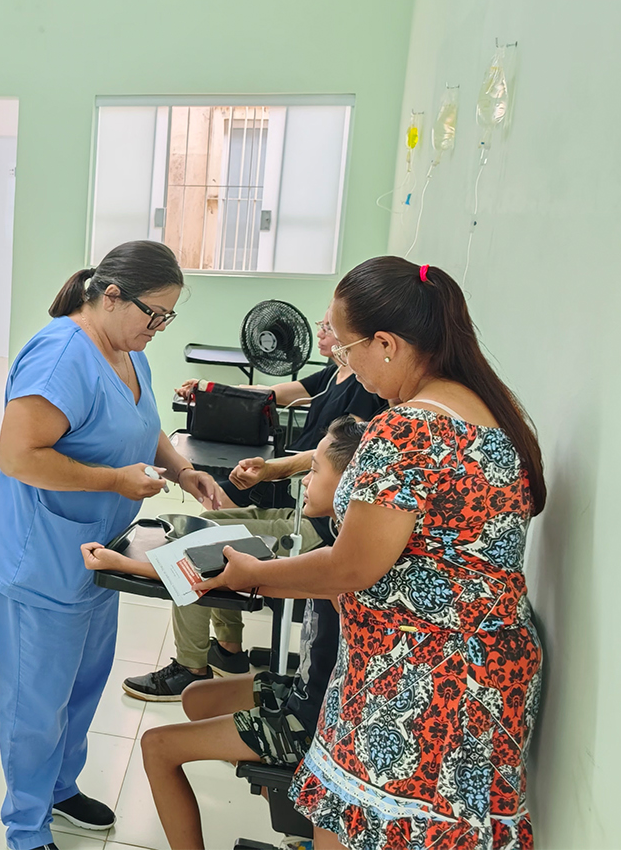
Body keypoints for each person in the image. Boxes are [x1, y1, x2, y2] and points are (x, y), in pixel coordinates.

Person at [203, 257, 547, 850]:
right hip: (483, 668)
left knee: (360, 828)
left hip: (417, 681)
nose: (340, 359)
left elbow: (350, 566)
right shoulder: (490, 411)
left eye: (346, 345)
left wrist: (257, 576)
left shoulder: (408, 431)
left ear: (386, 343)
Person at [0, 241, 222, 850]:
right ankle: (26, 828)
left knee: (82, 684)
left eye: (168, 317)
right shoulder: (61, 356)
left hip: (100, 556)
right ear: (110, 296)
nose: (159, 328)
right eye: (153, 314)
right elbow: (18, 456)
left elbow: (142, 422)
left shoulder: (129, 351)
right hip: (40, 560)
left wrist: (180, 469)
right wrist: (114, 480)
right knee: (35, 702)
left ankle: (59, 789)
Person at [81, 415, 367, 849]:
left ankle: (278, 768)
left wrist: (122, 563)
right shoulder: (341, 549)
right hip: (307, 694)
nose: (304, 480)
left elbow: (211, 579)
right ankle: (276, 784)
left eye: (314, 471)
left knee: (157, 747)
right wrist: (122, 563)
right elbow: (216, 576)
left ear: (350, 486)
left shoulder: (337, 565)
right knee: (197, 697)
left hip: (308, 722)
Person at [124, 308, 385, 700]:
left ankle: (191, 668)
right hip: (302, 506)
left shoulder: (368, 388)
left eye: (330, 326)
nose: (322, 330)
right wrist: (211, 390)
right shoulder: (335, 374)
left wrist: (273, 469)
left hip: (316, 525)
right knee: (208, 520)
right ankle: (228, 651)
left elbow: (334, 458)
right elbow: (276, 393)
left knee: (192, 550)